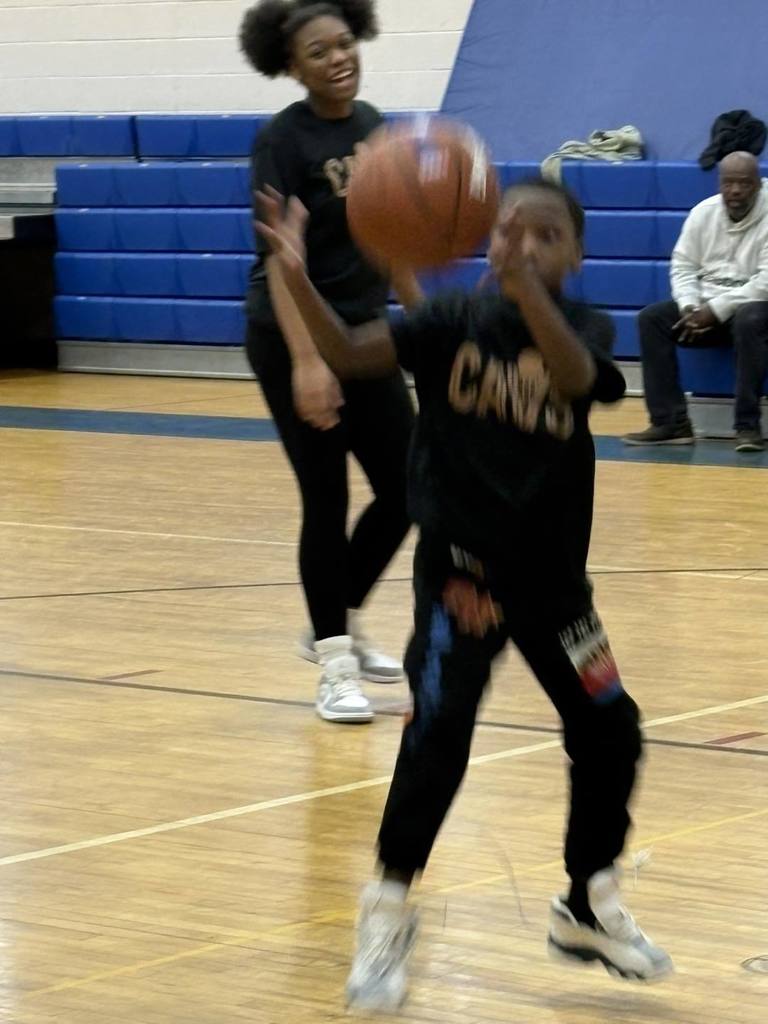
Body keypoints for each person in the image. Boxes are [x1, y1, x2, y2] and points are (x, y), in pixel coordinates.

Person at [257, 176, 674, 1011]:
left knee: (611, 730)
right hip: (462, 581)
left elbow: (573, 378)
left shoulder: (585, 331)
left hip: (556, 592)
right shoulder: (449, 322)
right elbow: (348, 352)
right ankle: (386, 905)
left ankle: (587, 898)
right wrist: (298, 276)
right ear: (485, 243)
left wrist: (525, 288)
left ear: (577, 256)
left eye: (546, 235)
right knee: (437, 735)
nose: (524, 243)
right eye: (510, 230)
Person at [239, 0, 423, 724]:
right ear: (291, 66)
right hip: (294, 332)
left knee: (408, 487)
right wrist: (308, 363)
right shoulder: (280, 142)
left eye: (345, 43)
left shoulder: (374, 125)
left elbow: (391, 236)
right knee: (327, 498)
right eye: (319, 52)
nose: (338, 57)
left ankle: (328, 626)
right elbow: (283, 263)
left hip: (366, 332)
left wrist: (426, 324)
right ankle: (336, 664)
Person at [623, 151, 768, 452]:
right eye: (728, 183)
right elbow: (683, 265)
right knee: (652, 319)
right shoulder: (703, 213)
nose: (735, 191)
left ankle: (747, 427)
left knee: (749, 317)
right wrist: (689, 307)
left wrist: (714, 311)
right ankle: (671, 423)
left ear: (758, 184)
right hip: (704, 311)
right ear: (719, 183)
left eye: (743, 183)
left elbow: (765, 283)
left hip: (755, 314)